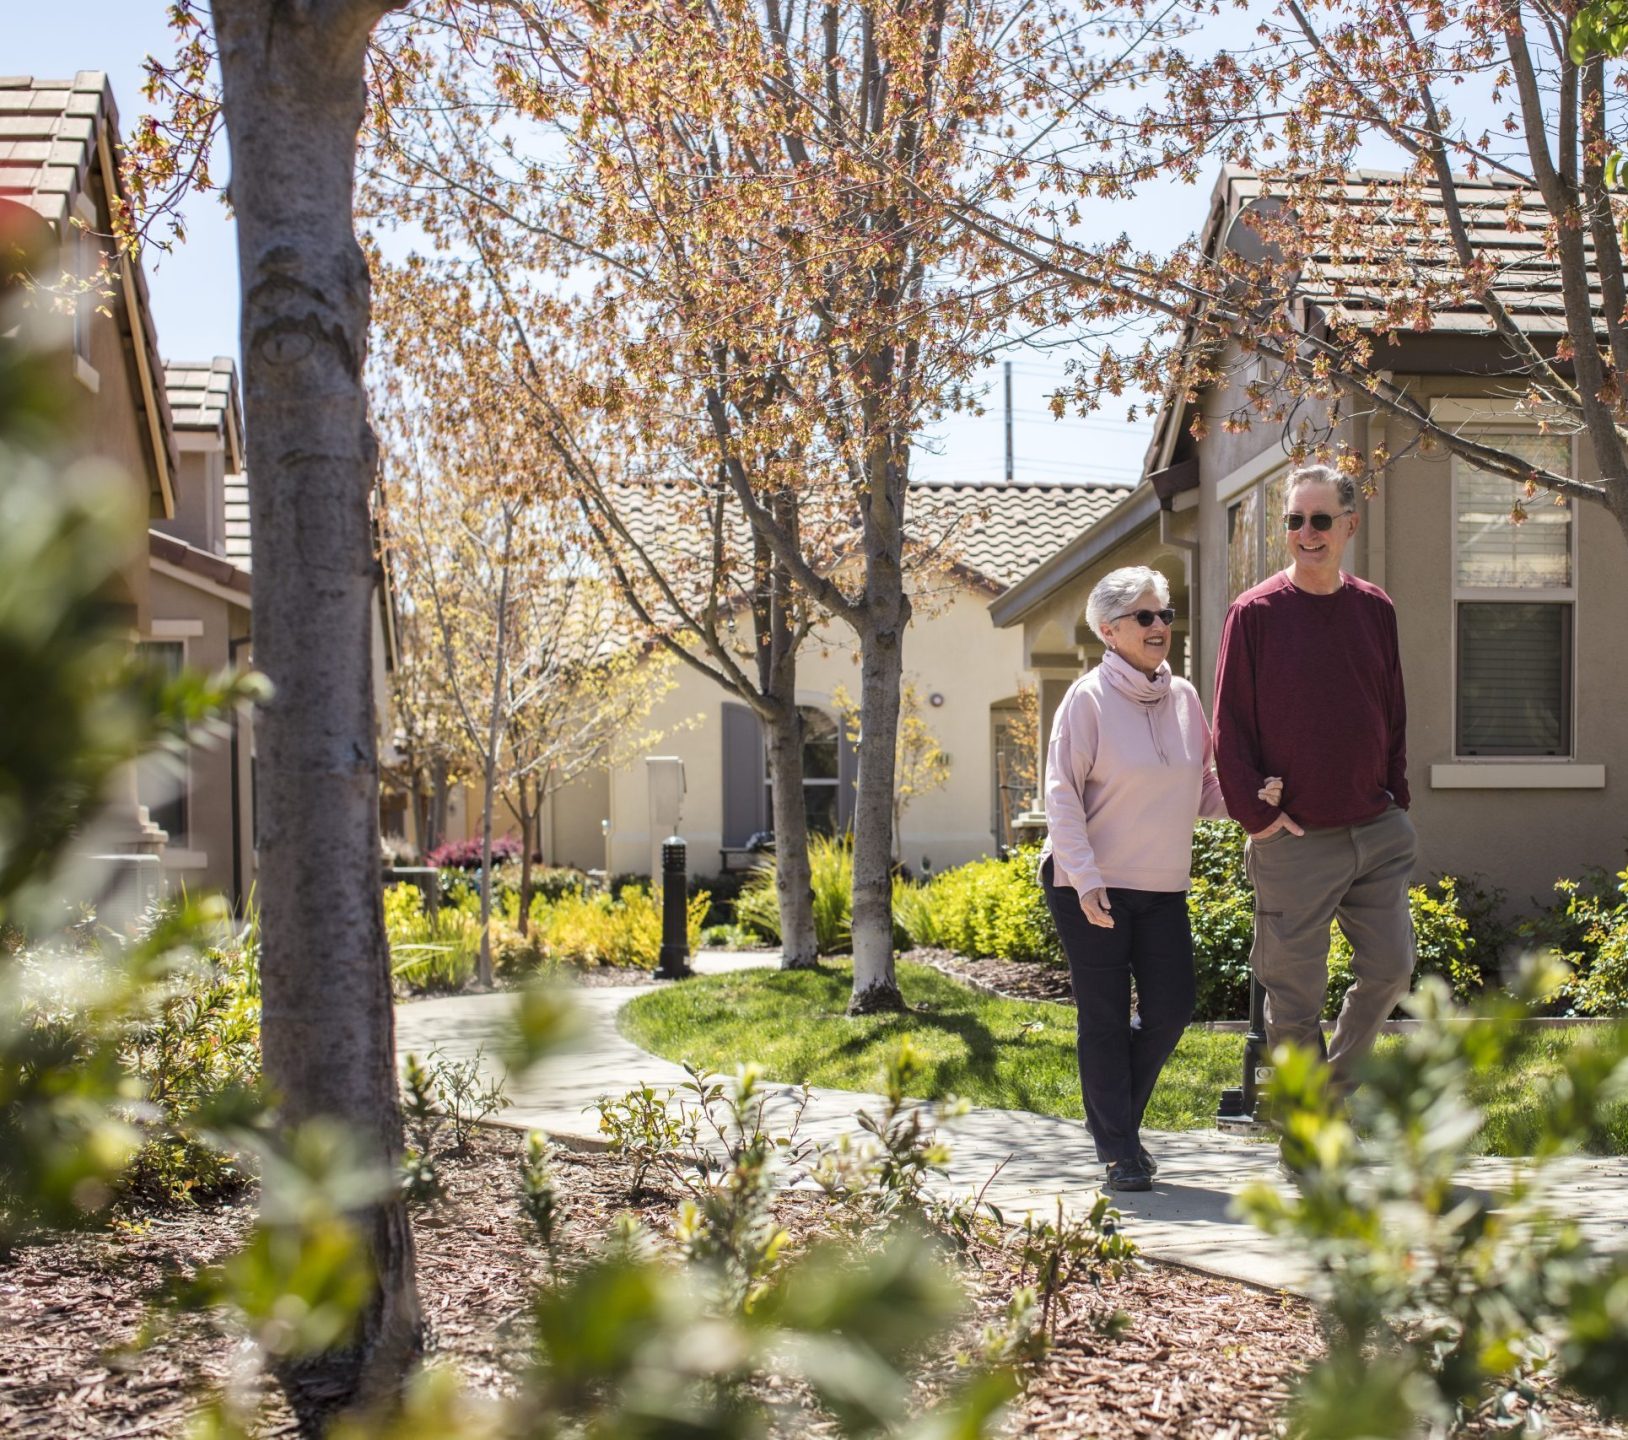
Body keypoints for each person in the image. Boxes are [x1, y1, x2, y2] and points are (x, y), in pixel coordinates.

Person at [1041, 565, 1282, 1192]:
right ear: (1108, 629)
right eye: (1144, 617)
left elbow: (1200, 786)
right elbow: (1061, 793)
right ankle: (1120, 1149)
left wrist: (1256, 802)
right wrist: (1085, 878)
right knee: (1103, 1017)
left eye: (1165, 615)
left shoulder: (1184, 699)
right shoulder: (1087, 699)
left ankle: (1117, 1125)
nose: (1159, 627)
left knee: (1172, 1008)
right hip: (1087, 886)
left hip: (1162, 885)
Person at [1212, 463, 1416, 1096]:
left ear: (1349, 525)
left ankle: (1330, 1094)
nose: (1307, 533)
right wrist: (1258, 817)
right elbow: (1230, 727)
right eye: (1296, 520)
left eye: (1321, 520)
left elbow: (1393, 708)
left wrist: (1396, 801)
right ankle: (1308, 1132)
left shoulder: (1373, 608)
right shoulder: (1255, 614)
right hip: (1295, 839)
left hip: (1374, 829)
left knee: (1391, 970)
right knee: (1294, 1002)